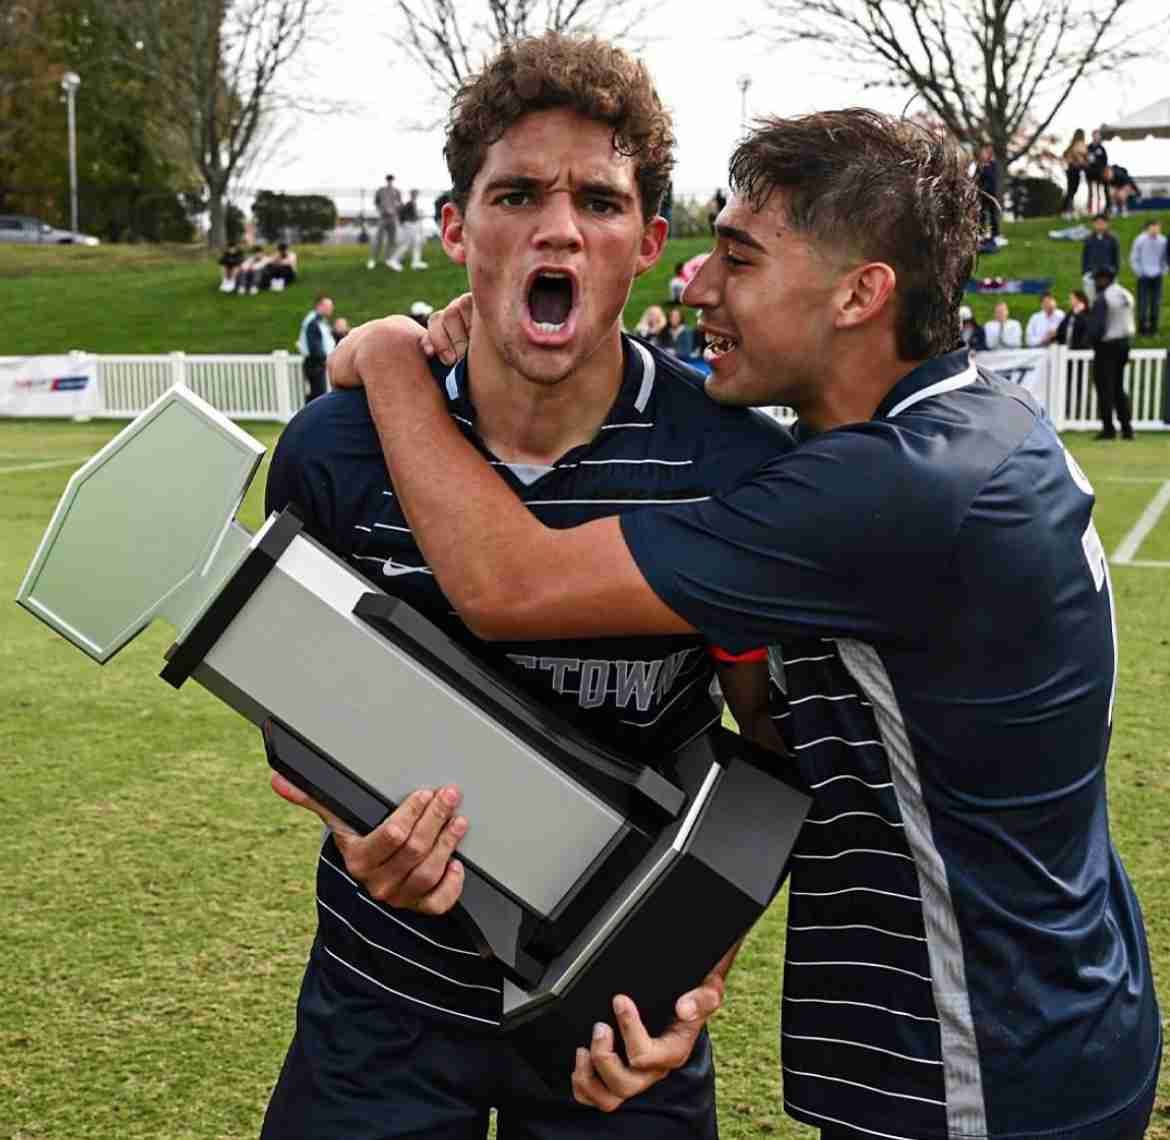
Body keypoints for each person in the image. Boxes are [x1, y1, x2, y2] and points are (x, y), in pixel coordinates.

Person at [333, 107, 1161, 1140]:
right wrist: (685, 974)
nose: (699, 288)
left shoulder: (896, 489)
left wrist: (390, 357)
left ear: (859, 294)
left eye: (739, 258)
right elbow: (782, 751)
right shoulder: (977, 426)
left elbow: (505, 585)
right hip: (1054, 1005)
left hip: (980, 1061)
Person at [261, 32, 793, 1140]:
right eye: (516, 195)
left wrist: (697, 968)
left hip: (615, 1017)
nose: (558, 228)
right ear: (457, 229)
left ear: (648, 243)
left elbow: (773, 753)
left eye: (598, 201)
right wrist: (355, 823)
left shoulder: (734, 465)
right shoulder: (335, 449)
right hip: (382, 999)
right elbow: (292, 702)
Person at [1087, 266, 1136, 440]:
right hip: (1124, 343)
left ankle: (1108, 428)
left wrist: (1091, 340)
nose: (1095, 283)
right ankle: (1127, 428)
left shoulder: (1104, 297)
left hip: (1106, 346)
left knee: (1104, 388)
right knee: (1118, 387)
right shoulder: (1126, 294)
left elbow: (1098, 327)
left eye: (1097, 279)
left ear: (1104, 279)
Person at [1129, 218, 1167, 336]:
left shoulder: (1163, 240)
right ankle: (1142, 329)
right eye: (1153, 228)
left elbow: (1166, 257)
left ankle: (1153, 329)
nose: (1155, 230)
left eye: (1158, 228)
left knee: (1156, 302)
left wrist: (1163, 270)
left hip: (1157, 275)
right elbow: (1134, 257)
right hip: (1143, 276)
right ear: (1148, 228)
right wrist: (1139, 272)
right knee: (1143, 303)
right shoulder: (1140, 240)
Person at [295, 293, 335, 402]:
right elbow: (314, 347)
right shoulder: (313, 322)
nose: (331, 309)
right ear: (319, 306)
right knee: (317, 398)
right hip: (315, 365)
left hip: (317, 364)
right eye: (328, 306)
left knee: (316, 397)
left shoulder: (319, 321)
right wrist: (326, 359)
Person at [369, 173, 403, 270]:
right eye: (388, 180)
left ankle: (388, 259)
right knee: (379, 239)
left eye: (391, 180)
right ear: (386, 180)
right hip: (383, 218)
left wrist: (396, 208)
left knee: (391, 240)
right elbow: (376, 202)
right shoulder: (381, 190)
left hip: (393, 218)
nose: (390, 181)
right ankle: (373, 259)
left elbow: (400, 203)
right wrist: (381, 210)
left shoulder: (397, 191)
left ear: (393, 180)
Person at [1081, 213, 1120, 299]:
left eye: (1102, 223)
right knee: (1092, 299)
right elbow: (1085, 257)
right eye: (1097, 223)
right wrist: (1085, 272)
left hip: (1108, 274)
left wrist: (1114, 271)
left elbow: (1116, 257)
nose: (1100, 225)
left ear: (1107, 224)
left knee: (1109, 299)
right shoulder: (1089, 239)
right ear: (1093, 224)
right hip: (1092, 274)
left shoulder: (1112, 239)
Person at [393, 187, 429, 269]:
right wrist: (404, 223)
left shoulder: (412, 203)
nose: (416, 195)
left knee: (417, 243)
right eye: (414, 193)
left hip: (413, 225)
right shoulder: (409, 203)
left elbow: (412, 215)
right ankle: (395, 259)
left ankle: (415, 262)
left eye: (416, 194)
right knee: (407, 244)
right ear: (412, 194)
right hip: (410, 225)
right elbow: (402, 215)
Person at [976, 141, 1000, 242]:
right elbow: (977, 178)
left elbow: (990, 178)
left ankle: (995, 235)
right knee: (981, 214)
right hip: (982, 193)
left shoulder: (992, 164)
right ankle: (981, 233)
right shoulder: (980, 165)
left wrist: (984, 189)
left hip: (990, 193)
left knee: (992, 214)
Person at [1061, 129, 1087, 217]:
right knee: (1072, 190)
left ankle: (1065, 210)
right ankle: (1068, 210)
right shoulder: (1080, 144)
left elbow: (1065, 155)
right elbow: (1080, 154)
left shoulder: (1071, 145)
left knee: (1070, 190)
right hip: (1075, 169)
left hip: (1070, 169)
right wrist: (1083, 162)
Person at [1085, 128, 1108, 215]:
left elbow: (1105, 161)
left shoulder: (1101, 148)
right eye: (1095, 135)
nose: (1097, 137)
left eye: (1098, 136)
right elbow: (1085, 159)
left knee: (1099, 191)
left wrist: (1103, 170)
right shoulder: (1088, 147)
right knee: (1090, 192)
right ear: (1093, 136)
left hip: (1099, 173)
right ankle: (1089, 210)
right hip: (1089, 172)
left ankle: (1098, 210)